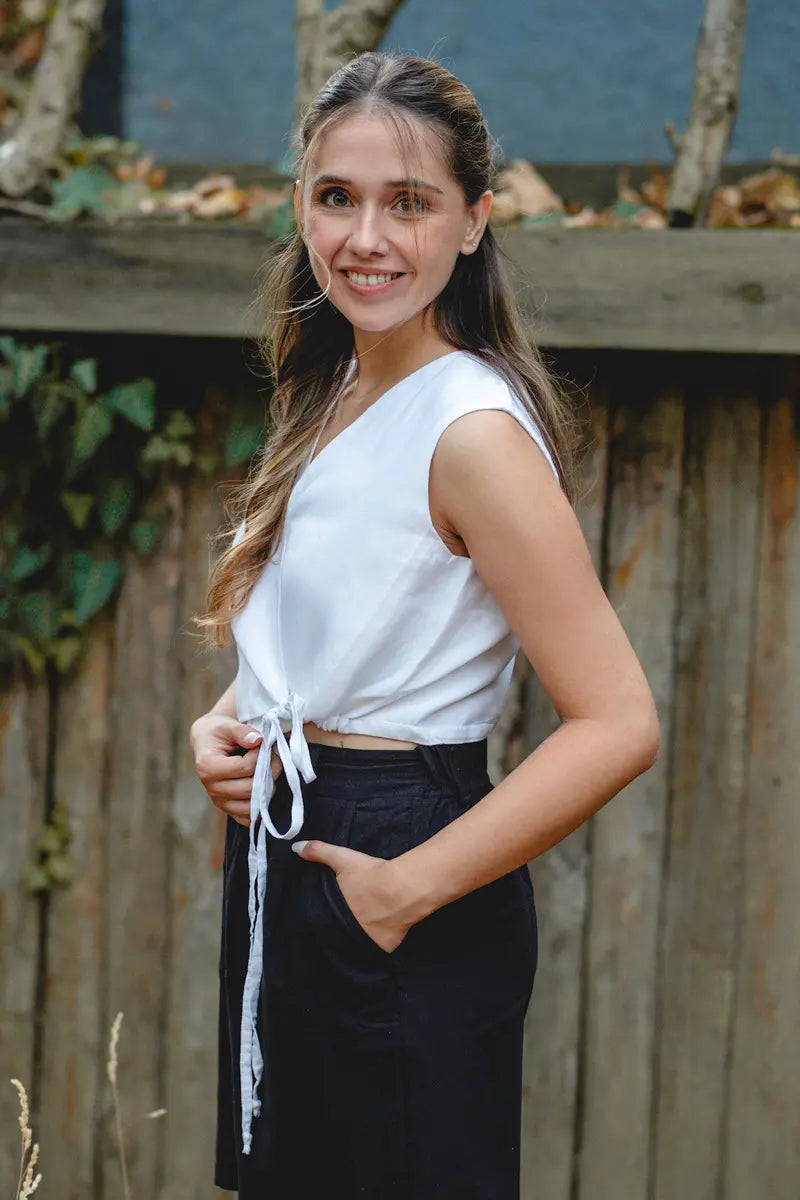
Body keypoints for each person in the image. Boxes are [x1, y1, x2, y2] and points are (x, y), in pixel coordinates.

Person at [189, 51, 660, 1200]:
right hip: (295, 843)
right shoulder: (337, 390)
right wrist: (224, 722)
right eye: (335, 197)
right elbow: (346, 636)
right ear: (298, 205)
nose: (366, 237)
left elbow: (617, 722)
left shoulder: (471, 431)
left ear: (471, 223)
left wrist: (397, 893)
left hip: (398, 859)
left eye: (409, 203)